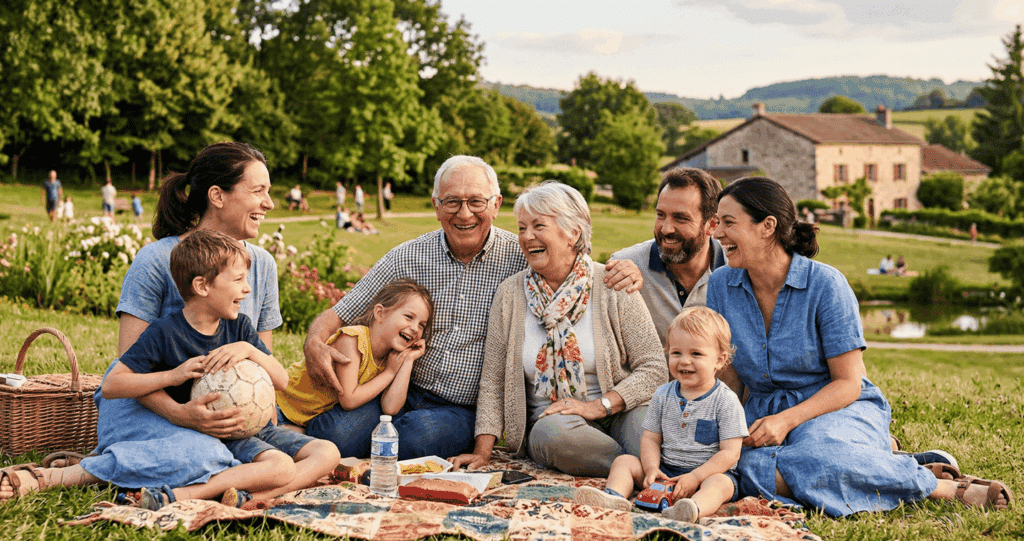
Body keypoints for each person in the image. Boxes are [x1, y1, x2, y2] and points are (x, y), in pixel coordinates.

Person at [301, 155, 642, 460]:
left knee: (415, 438)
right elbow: (340, 312)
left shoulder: (521, 255)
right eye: (452, 202)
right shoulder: (407, 257)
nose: (464, 214)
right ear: (436, 206)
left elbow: (568, 259)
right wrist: (314, 341)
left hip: (463, 407)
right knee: (334, 435)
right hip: (398, 385)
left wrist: (624, 266)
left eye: (476, 201)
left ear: (496, 205)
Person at [707, 176, 1013, 516]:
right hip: (763, 414)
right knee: (719, 462)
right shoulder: (721, 284)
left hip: (833, 408)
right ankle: (882, 461)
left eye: (728, 223)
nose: (717, 233)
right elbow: (730, 378)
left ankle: (943, 487)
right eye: (718, 223)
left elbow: (848, 383)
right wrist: (719, 426)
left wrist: (786, 422)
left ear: (767, 226)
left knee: (814, 457)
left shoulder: (826, 285)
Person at [101, 229, 338, 510]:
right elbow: (111, 385)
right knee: (282, 468)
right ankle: (181, 496)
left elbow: (282, 381)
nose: (247, 288)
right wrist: (172, 376)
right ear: (202, 286)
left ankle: (244, 498)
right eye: (238, 279)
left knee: (328, 452)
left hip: (254, 425)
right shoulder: (164, 332)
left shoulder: (240, 328)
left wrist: (249, 350)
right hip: (217, 433)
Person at [451, 181, 666, 477]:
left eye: (538, 226)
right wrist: (482, 452)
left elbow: (654, 367)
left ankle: (639, 469)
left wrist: (598, 406)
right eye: (522, 227)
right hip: (555, 425)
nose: (527, 237)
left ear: (573, 232)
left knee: (647, 429)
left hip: (618, 411)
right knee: (552, 435)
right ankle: (639, 472)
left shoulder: (612, 283)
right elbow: (493, 380)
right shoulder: (510, 295)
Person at [575, 307, 747, 522]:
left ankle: (692, 508)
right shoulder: (663, 394)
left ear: (720, 360)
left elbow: (730, 454)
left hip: (706, 474)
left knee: (721, 485)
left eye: (696, 354)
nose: (684, 361)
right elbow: (651, 438)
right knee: (625, 461)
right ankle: (614, 496)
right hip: (666, 470)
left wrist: (696, 477)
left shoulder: (726, 401)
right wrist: (652, 469)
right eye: (676, 353)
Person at [278, 278, 432, 429]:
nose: (414, 328)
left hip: (301, 418)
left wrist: (408, 361)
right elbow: (349, 400)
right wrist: (390, 372)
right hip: (281, 403)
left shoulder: (391, 356)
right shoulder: (352, 339)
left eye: (421, 325)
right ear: (380, 313)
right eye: (409, 317)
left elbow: (390, 408)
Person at [610, 167, 727, 347]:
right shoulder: (625, 267)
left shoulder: (738, 270)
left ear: (711, 225)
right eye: (660, 215)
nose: (666, 229)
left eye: (680, 218)